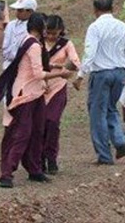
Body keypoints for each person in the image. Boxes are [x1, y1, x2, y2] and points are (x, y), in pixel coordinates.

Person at [0, 13, 73, 188]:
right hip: (26, 93)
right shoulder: (34, 45)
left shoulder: (28, 41)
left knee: (36, 131)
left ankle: (34, 169)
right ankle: (7, 173)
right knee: (23, 133)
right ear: (40, 28)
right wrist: (61, 73)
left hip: (35, 93)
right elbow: (38, 73)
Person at [78, 0, 125, 165]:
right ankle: (120, 139)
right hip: (119, 72)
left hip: (101, 73)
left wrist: (81, 74)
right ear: (112, 8)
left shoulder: (95, 27)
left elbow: (90, 52)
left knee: (97, 113)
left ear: (95, 10)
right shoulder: (123, 27)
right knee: (111, 108)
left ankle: (104, 155)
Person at [42, 15, 79, 174]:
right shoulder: (38, 43)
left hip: (58, 87)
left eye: (54, 34)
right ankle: (39, 158)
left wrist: (62, 68)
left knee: (52, 122)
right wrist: (57, 65)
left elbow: (75, 63)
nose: (51, 36)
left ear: (60, 32)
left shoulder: (66, 44)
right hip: (40, 86)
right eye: (48, 33)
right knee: (40, 125)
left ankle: (51, 158)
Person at [2, 0, 37, 69]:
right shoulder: (11, 24)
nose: (17, 12)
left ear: (30, 11)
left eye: (20, 10)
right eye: (17, 10)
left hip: (23, 64)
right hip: (8, 63)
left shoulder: (32, 28)